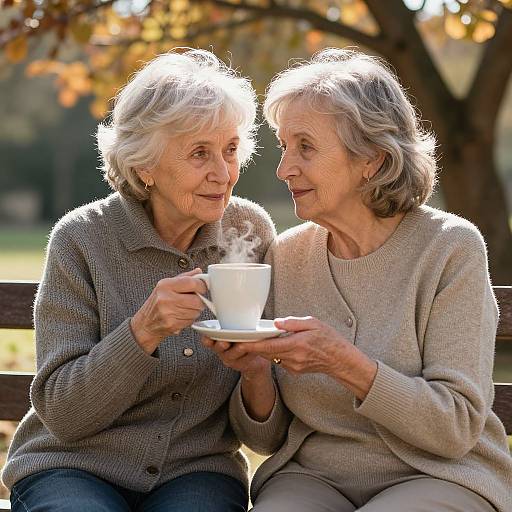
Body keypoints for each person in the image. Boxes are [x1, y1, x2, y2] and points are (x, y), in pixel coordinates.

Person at [203, 48, 512, 512]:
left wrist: (346, 363)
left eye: (305, 147)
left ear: (371, 158)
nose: (284, 168)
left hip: (439, 474)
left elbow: (456, 428)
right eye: (285, 146)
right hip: (312, 478)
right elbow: (265, 439)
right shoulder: (287, 255)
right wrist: (253, 371)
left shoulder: (450, 248)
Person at [2, 48, 276, 512]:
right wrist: (142, 331)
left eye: (230, 149)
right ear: (144, 165)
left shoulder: (248, 233)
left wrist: (256, 371)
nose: (223, 173)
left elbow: (263, 437)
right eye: (199, 154)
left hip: (197, 471)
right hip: (72, 465)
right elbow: (64, 415)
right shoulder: (82, 239)